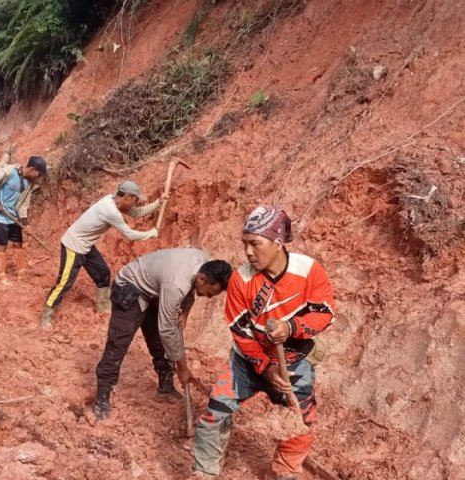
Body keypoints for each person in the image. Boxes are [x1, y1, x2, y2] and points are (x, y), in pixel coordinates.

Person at [192, 206, 336, 480]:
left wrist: (291, 327)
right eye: (244, 244)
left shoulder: (308, 271)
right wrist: (267, 368)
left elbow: (325, 314)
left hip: (294, 362)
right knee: (215, 412)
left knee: (302, 421)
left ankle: (286, 470)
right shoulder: (240, 280)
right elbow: (240, 330)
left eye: (255, 244)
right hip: (246, 361)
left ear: (278, 242)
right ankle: (204, 471)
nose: (248, 252)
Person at [93, 248, 232, 420]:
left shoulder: (202, 260)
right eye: (210, 293)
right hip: (130, 287)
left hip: (155, 291)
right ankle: (102, 395)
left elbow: (190, 291)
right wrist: (183, 369)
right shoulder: (176, 285)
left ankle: (165, 385)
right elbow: (167, 330)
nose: (209, 298)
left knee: (159, 342)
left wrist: (185, 313)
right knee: (118, 343)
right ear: (202, 279)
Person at [40, 181, 163, 330]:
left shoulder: (114, 201)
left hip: (86, 245)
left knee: (103, 273)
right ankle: (46, 315)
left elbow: (136, 212)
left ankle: (103, 305)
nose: (136, 202)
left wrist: (158, 203)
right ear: (128, 197)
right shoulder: (110, 210)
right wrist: (151, 233)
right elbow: (129, 235)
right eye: (136, 199)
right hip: (73, 246)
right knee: (64, 283)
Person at [0, 156, 47, 284]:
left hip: (13, 217)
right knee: (2, 246)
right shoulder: (9, 172)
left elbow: (23, 204)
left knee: (18, 244)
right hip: (0, 216)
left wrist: (25, 223)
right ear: (32, 169)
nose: (39, 176)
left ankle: (21, 272)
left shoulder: (29, 183)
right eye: (39, 173)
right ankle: (2, 275)